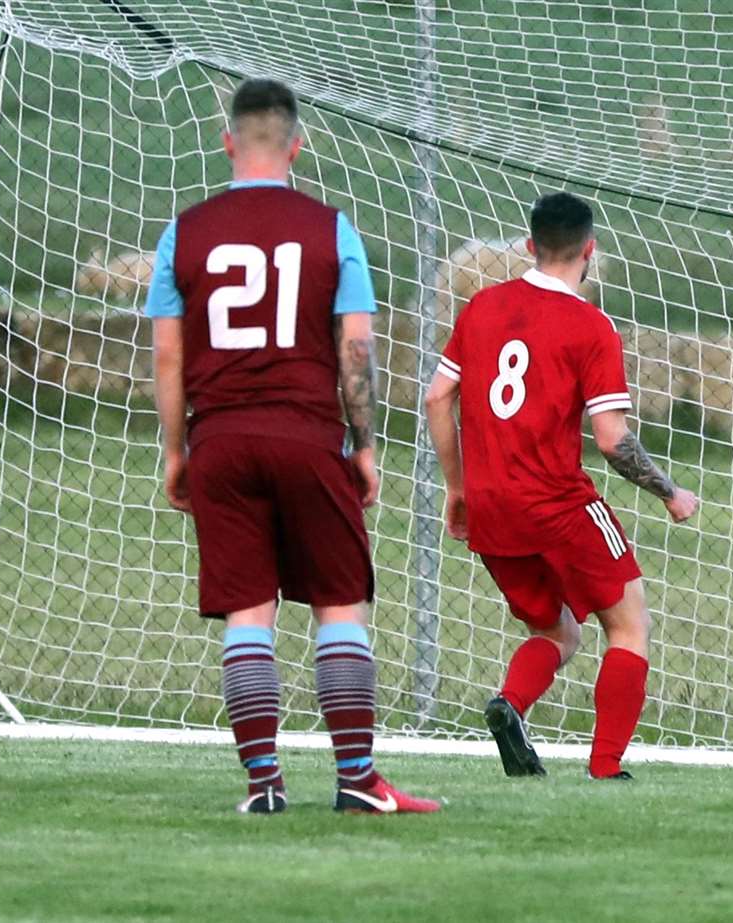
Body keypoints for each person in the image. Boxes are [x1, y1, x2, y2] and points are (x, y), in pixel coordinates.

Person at [147, 77, 437, 814]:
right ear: (297, 144)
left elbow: (169, 359)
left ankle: (264, 787)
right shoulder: (332, 228)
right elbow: (357, 348)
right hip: (307, 436)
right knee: (340, 605)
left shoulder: (183, 232)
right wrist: (364, 445)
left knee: (249, 613)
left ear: (228, 143)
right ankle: (357, 781)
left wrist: (178, 451)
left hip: (221, 441)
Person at [425, 192, 698, 781]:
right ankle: (605, 766)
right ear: (589, 251)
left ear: (528, 245)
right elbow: (611, 440)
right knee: (627, 626)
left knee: (556, 631)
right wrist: (670, 493)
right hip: (559, 505)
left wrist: (458, 486)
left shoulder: (482, 306)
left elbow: (436, 397)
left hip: (493, 507)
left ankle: (510, 705)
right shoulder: (591, 326)